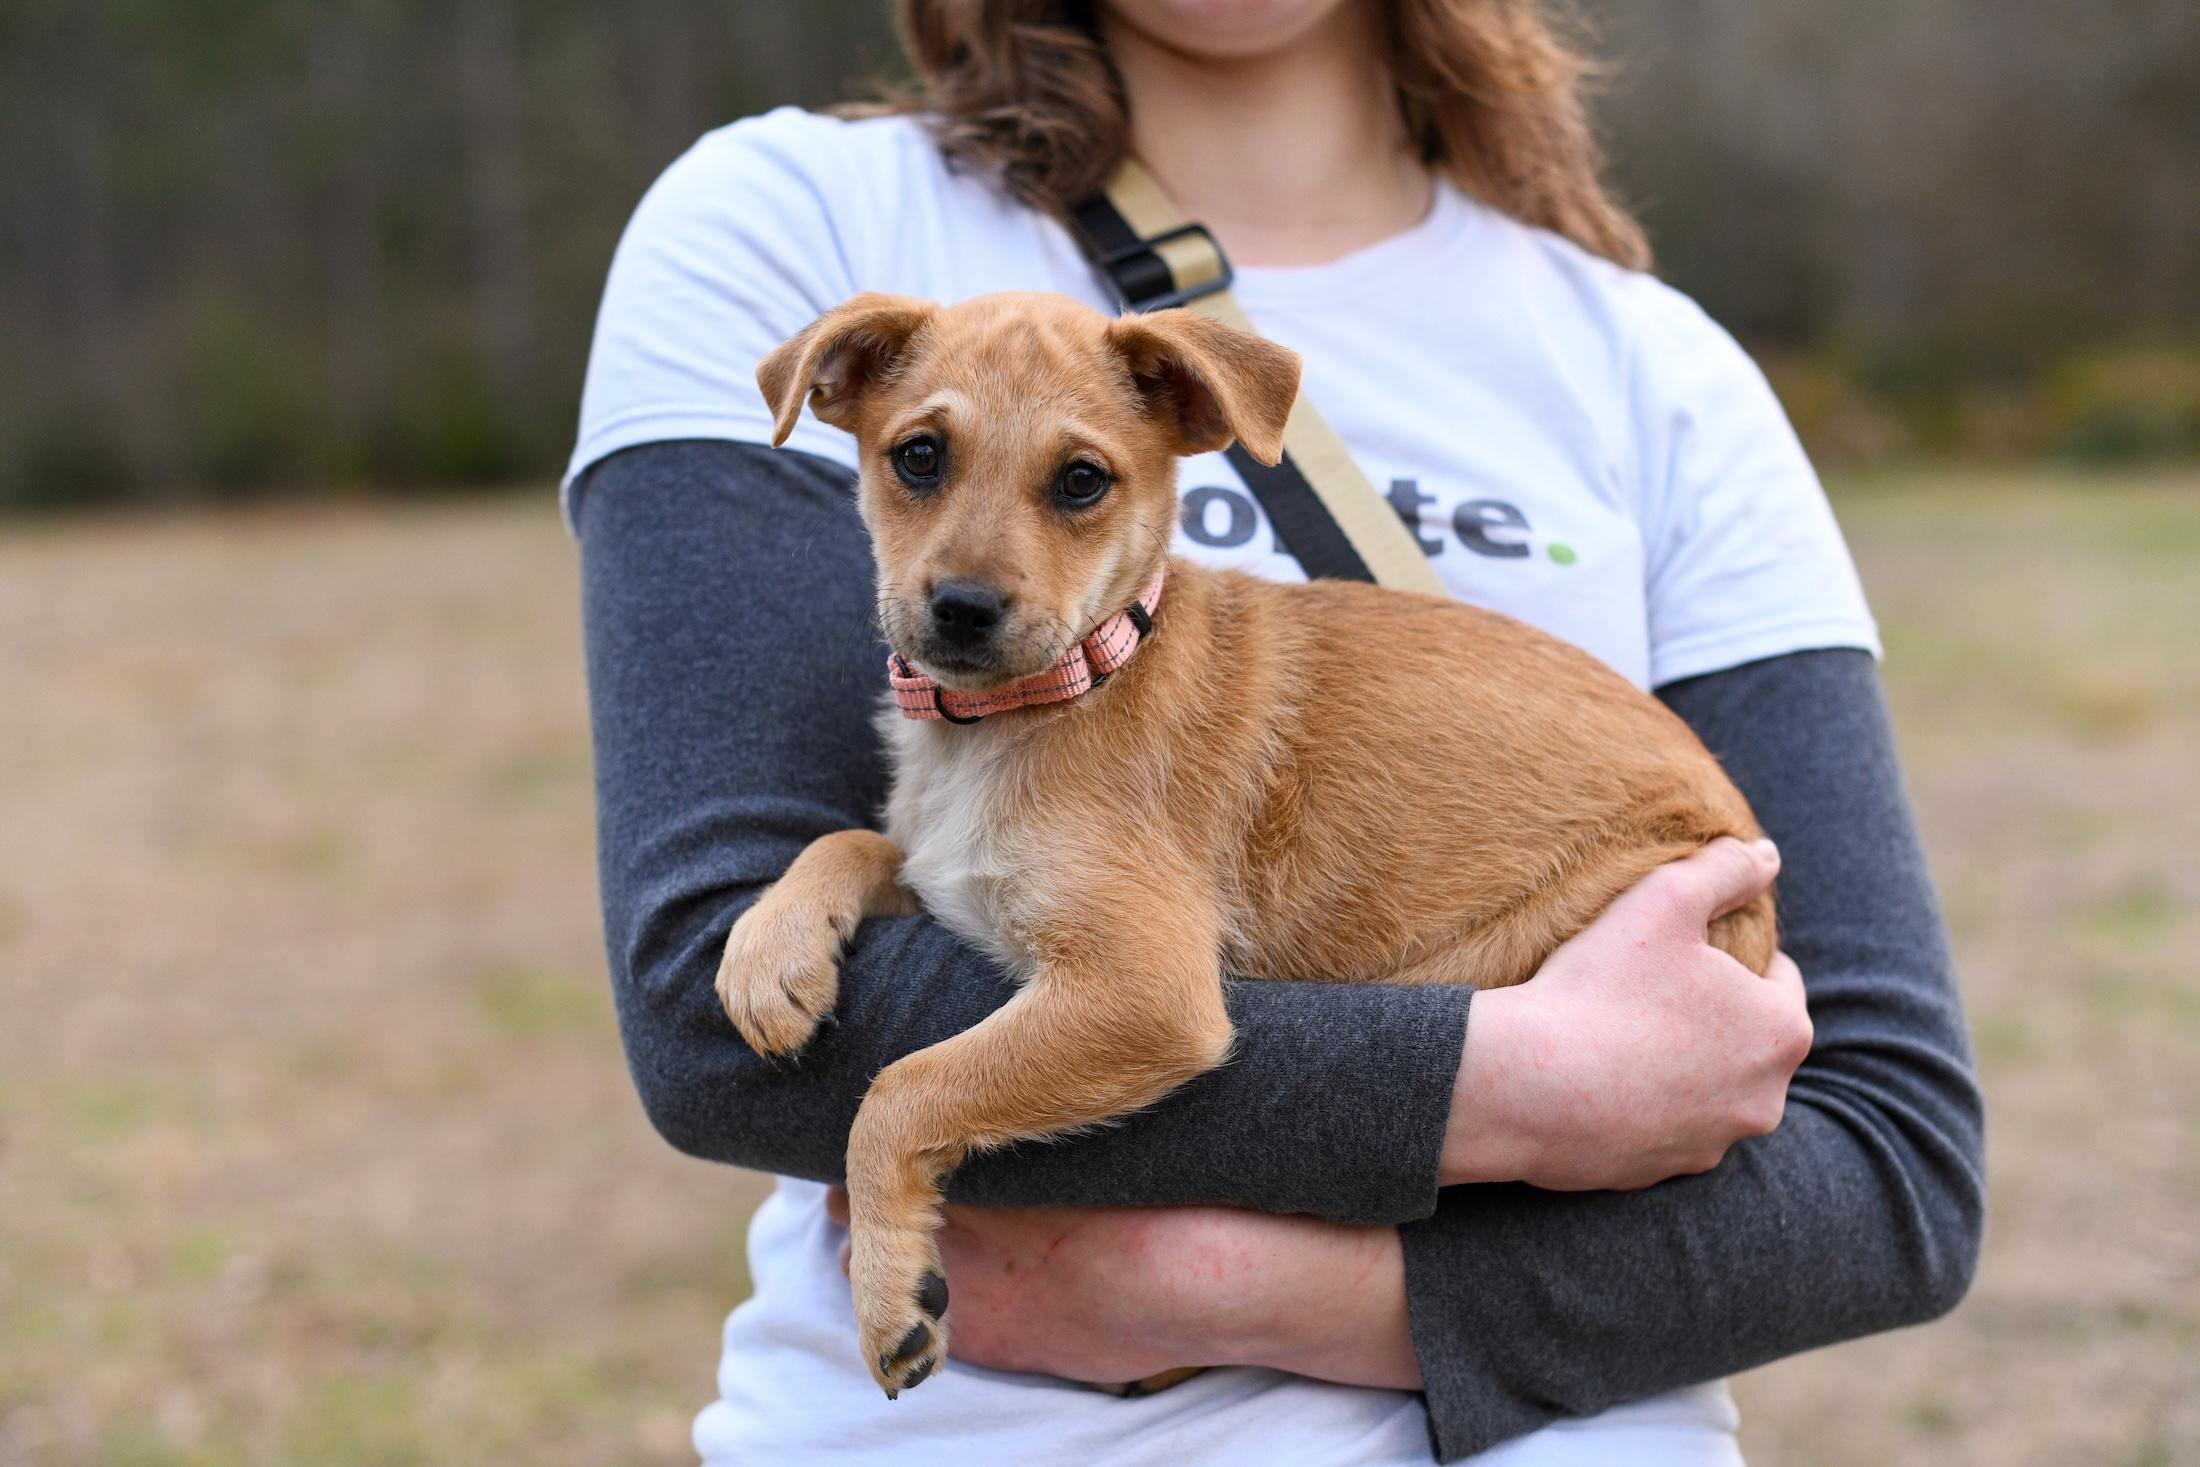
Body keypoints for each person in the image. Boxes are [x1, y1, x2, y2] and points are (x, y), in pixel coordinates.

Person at [567, 1, 1985, 1462]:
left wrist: (1235, 1296)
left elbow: (1892, 1176)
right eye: (920, 461)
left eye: (1075, 486)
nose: (975, 566)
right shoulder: (784, 218)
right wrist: (1514, 1084)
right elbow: (715, 1018)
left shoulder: (1655, 363)